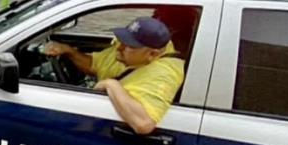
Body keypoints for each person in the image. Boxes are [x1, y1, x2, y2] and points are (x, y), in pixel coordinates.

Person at [44, 16, 184, 134]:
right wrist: (69, 51)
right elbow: (94, 64)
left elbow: (143, 124)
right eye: (123, 40)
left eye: (129, 45)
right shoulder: (133, 52)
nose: (119, 47)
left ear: (152, 54)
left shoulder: (164, 74)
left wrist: (111, 84)